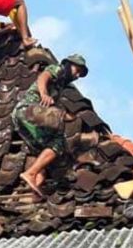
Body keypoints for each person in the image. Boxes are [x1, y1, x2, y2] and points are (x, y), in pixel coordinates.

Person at [12, 54, 89, 197]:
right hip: (28, 109)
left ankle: (34, 179)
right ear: (68, 64)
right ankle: (32, 173)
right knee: (67, 121)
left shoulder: (60, 87)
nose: (77, 76)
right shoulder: (57, 69)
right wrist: (44, 93)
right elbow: (43, 76)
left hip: (22, 120)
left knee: (54, 146)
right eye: (77, 70)